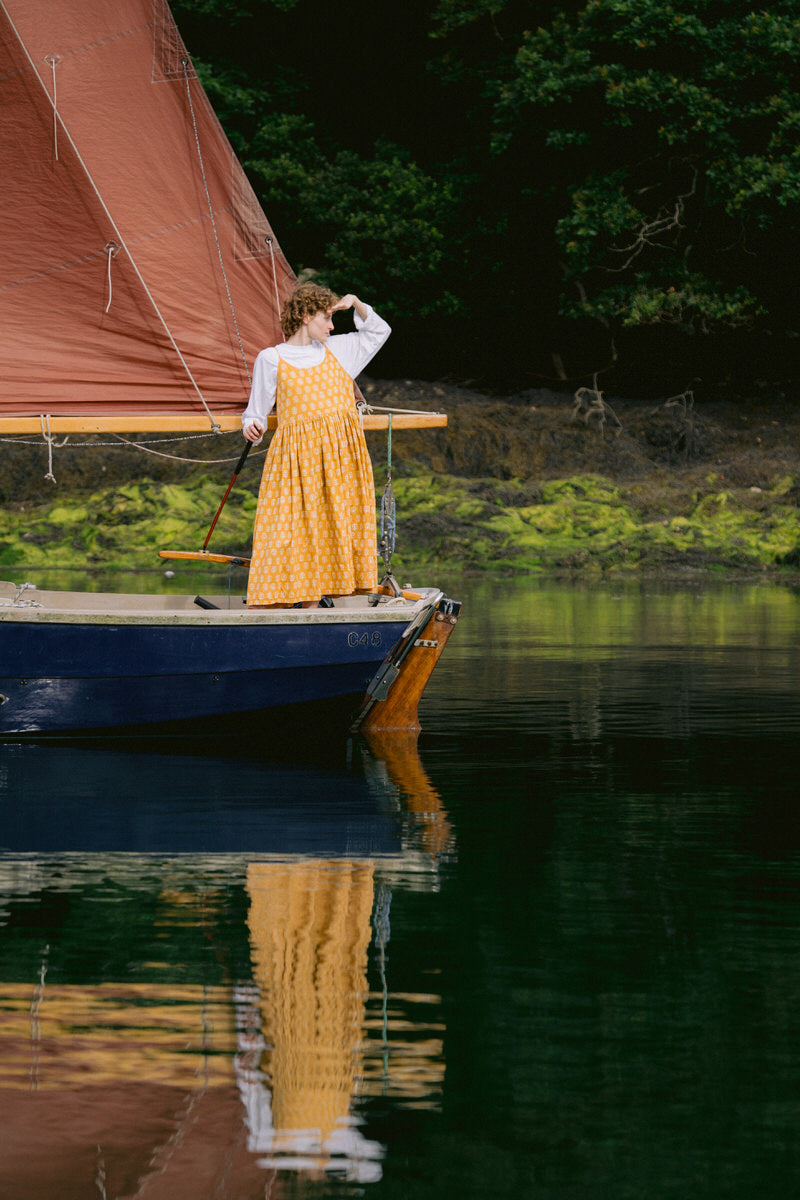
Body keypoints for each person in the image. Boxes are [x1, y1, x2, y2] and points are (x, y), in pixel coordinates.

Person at [242, 283, 391, 608]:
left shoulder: (339, 350)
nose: (332, 325)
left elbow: (379, 331)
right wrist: (252, 427)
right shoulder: (272, 358)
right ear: (306, 315)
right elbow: (256, 414)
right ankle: (270, 611)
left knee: (329, 533)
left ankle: (311, 611)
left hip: (340, 463)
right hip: (294, 462)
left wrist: (356, 303)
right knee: (284, 536)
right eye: (326, 318)